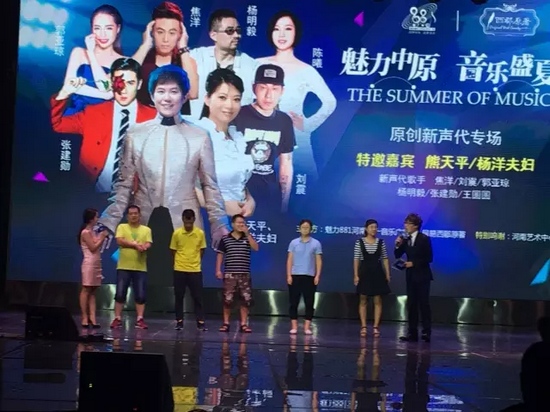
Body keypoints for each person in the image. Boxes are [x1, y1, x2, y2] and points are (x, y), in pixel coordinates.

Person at [98, 64, 228, 247]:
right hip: (141, 224)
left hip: (186, 224)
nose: (167, 98)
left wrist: (219, 223)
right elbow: (123, 185)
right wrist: (108, 222)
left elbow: (210, 186)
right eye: (161, 91)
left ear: (184, 96)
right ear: (152, 96)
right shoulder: (135, 134)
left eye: (174, 91)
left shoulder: (200, 136)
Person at [51, 58, 156, 190]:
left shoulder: (154, 117)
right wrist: (64, 93)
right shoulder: (93, 113)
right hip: (93, 192)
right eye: (118, 82)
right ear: (111, 83)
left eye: (130, 83)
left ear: (139, 84)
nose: (123, 90)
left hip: (135, 196)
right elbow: (58, 124)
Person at [258, 10, 336, 181]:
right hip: (261, 141)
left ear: (296, 33)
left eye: (288, 29)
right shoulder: (257, 64)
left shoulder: (307, 71)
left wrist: (307, 124)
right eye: (276, 29)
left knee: (303, 190)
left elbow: (330, 102)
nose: (281, 34)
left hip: (296, 142)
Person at [192, 68, 255, 217]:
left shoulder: (237, 138)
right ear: (207, 99)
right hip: (205, 219)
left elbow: (236, 181)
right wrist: (221, 205)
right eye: (222, 97)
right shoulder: (197, 135)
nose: (230, 105)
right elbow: (181, 185)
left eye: (236, 99)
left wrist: (249, 200)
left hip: (237, 221)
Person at [232, 64, 295, 213]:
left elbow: (286, 163)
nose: (269, 95)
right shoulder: (238, 114)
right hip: (238, 197)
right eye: (263, 88)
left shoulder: (284, 121)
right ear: (254, 88)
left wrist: (284, 206)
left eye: (275, 89)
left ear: (282, 91)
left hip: (269, 196)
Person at [133, 1, 198, 115]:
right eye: (160, 32)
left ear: (180, 35)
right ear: (152, 32)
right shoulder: (141, 60)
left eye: (172, 33)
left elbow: (192, 94)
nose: (165, 39)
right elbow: (123, 82)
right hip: (143, 122)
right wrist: (145, 45)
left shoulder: (186, 62)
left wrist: (183, 48)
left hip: (176, 124)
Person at [189, 9, 257, 116]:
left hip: (235, 124)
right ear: (213, 35)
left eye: (238, 30)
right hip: (198, 123)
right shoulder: (197, 56)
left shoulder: (251, 65)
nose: (236, 35)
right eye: (230, 31)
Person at [61, 5, 124, 114]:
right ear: (92, 29)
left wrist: (91, 55)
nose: (102, 34)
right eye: (97, 28)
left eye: (109, 28)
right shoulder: (78, 53)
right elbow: (69, 85)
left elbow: (105, 87)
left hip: (104, 117)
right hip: (75, 115)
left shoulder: (123, 62)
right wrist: (106, 95)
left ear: (118, 29)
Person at [110, 205, 152, 329]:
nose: (133, 216)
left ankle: (140, 319)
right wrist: (135, 245)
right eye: (131, 214)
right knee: (120, 294)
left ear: (139, 215)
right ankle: (117, 318)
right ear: (127, 216)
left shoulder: (146, 230)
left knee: (140, 295)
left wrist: (144, 247)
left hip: (140, 267)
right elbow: (119, 240)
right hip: (124, 266)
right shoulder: (122, 227)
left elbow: (148, 243)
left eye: (135, 213)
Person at [216, 214, 259, 333]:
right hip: (230, 273)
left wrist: (248, 234)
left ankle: (244, 324)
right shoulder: (225, 239)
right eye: (239, 222)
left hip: (244, 274)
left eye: (243, 223)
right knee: (227, 299)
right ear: (233, 224)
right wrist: (218, 270)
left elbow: (256, 248)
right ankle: (226, 323)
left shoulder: (247, 237)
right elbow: (220, 254)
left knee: (245, 299)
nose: (241, 225)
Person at [394, 213, 433, 342]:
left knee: (423, 304)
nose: (405, 226)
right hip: (410, 276)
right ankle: (412, 332)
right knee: (411, 304)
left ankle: (426, 332)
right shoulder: (405, 239)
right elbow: (397, 254)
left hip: (423, 276)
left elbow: (429, 258)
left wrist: (414, 263)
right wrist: (398, 244)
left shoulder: (424, 239)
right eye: (405, 223)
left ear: (415, 226)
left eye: (408, 223)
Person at [170, 209, 207, 331]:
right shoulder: (177, 233)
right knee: (179, 296)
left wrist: (195, 261)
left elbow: (202, 250)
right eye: (186, 222)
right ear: (183, 220)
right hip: (179, 269)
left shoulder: (200, 233)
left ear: (194, 220)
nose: (188, 225)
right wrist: (180, 261)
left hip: (195, 269)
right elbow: (173, 250)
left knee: (197, 297)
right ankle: (179, 321)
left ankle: (200, 322)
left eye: (190, 223)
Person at [353, 219, 391, 337]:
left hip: (377, 273)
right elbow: (356, 259)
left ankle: (375, 327)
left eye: (375, 227)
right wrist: (356, 275)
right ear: (366, 229)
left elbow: (385, 258)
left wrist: (387, 273)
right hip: (364, 273)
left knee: (377, 300)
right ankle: (363, 326)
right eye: (371, 227)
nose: (374, 229)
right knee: (363, 299)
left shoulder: (381, 242)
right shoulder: (360, 242)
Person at [286, 219, 322, 335]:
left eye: (307, 228)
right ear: (299, 229)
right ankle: (294, 327)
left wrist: (317, 275)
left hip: (309, 276)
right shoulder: (293, 243)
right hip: (295, 275)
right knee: (293, 302)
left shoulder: (316, 243)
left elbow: (318, 261)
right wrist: (288, 275)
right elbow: (290, 259)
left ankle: (307, 327)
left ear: (311, 229)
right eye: (303, 227)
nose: (305, 229)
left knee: (309, 302)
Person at [78, 208, 109, 328]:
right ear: (91, 219)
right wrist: (102, 237)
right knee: (86, 289)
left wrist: (101, 236)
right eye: (96, 217)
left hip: (96, 263)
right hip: (89, 264)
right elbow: (93, 248)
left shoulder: (94, 231)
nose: (98, 219)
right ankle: (84, 317)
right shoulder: (85, 232)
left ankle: (93, 317)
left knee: (93, 291)